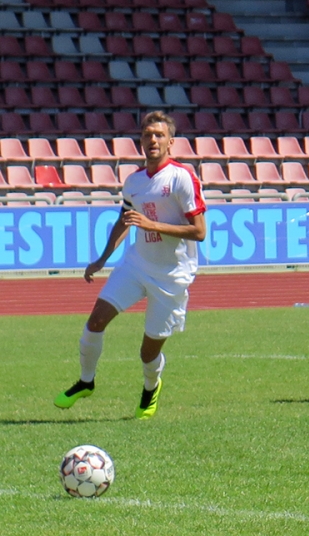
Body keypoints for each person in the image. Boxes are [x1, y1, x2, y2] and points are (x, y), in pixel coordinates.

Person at [55, 111, 207, 420]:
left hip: (172, 277)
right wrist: (102, 258)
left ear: (171, 142)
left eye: (159, 135)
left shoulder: (181, 178)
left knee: (147, 353)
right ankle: (86, 381)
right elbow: (124, 221)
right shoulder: (134, 181)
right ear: (141, 140)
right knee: (95, 321)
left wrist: (151, 224)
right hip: (136, 265)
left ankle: (151, 387)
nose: (153, 140)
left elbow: (199, 231)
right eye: (148, 134)